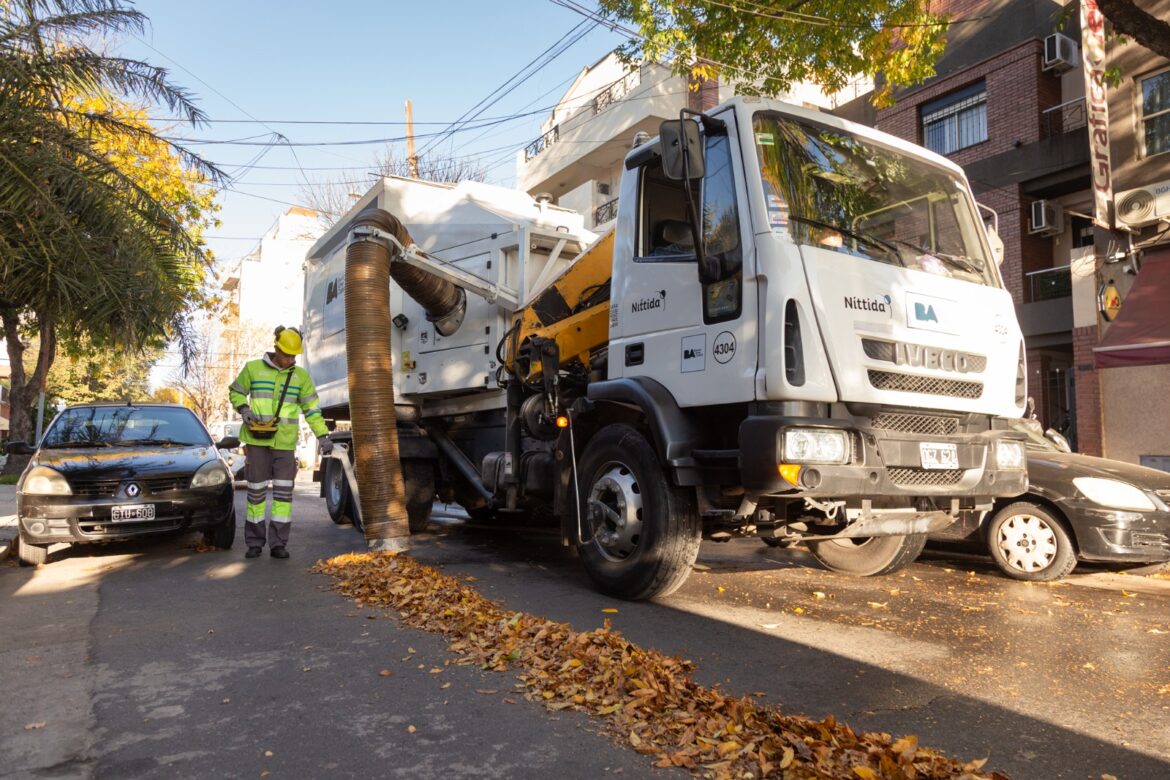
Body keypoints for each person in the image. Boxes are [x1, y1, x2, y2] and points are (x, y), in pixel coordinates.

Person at [228, 326, 333, 559]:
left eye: (294, 356)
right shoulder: (253, 369)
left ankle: (278, 544)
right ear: (276, 349)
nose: (289, 359)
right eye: (286, 354)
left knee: (284, 496)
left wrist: (323, 436)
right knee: (255, 492)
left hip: (285, 444)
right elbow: (235, 392)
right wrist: (244, 409)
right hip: (256, 442)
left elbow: (312, 410)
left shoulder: (301, 377)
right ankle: (254, 543)